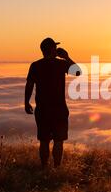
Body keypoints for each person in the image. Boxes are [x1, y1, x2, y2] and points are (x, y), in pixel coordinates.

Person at [25, 37, 81, 169]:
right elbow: (78, 71)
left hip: (42, 109)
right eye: (55, 48)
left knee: (44, 141)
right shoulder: (61, 64)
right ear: (51, 49)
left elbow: (29, 85)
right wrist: (67, 57)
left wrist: (26, 102)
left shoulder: (36, 65)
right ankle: (57, 168)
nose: (57, 50)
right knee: (58, 141)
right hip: (59, 109)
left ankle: (44, 167)